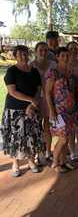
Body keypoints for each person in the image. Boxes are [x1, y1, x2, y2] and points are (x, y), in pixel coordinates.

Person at [1, 45, 43, 177]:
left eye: (25, 54)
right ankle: (15, 163)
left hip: (31, 109)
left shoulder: (34, 71)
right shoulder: (12, 71)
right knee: (15, 137)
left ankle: (31, 161)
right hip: (15, 109)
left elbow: (39, 89)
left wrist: (32, 104)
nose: (24, 57)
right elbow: (12, 92)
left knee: (31, 136)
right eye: (20, 55)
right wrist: (31, 100)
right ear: (15, 57)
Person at [46, 47, 78, 173]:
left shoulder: (70, 72)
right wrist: (52, 110)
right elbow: (48, 93)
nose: (65, 58)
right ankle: (55, 163)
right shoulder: (53, 72)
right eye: (63, 56)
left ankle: (63, 161)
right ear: (57, 57)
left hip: (71, 110)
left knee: (68, 136)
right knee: (62, 138)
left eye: (67, 55)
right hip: (59, 111)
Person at [30, 42, 57, 161]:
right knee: (35, 127)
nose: (43, 52)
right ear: (36, 51)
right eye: (41, 50)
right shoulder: (31, 65)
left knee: (47, 126)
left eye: (46, 50)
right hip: (36, 98)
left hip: (49, 98)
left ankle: (47, 151)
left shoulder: (53, 64)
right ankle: (36, 153)